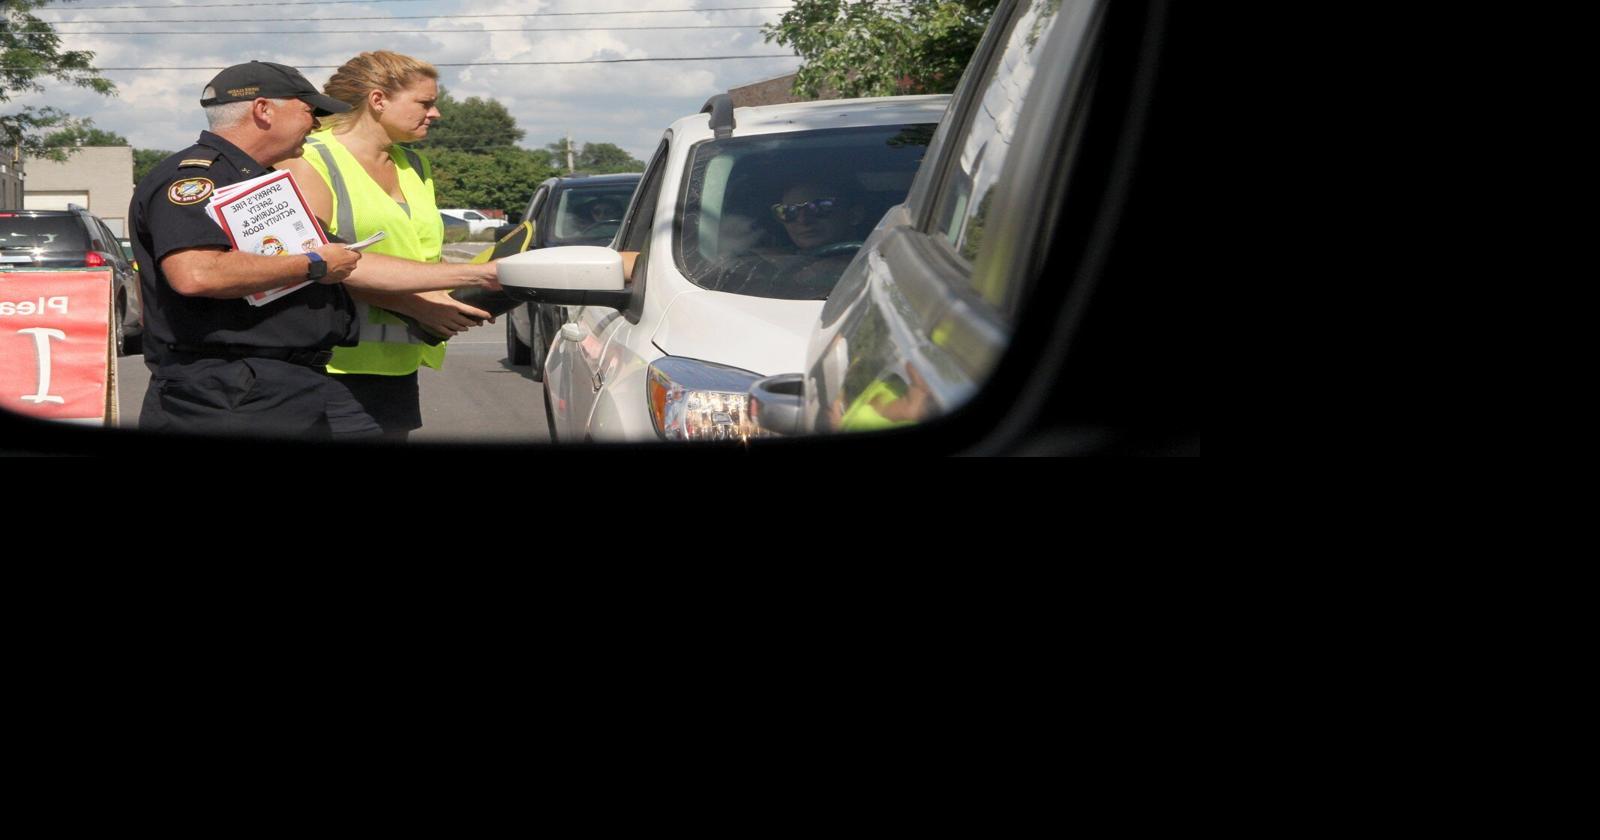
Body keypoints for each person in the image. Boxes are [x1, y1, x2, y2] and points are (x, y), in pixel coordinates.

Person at [130, 60, 499, 440]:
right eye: (309, 112)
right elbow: (197, 273)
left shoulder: (260, 180)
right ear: (263, 110)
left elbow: (348, 259)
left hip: (281, 384)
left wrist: (476, 274)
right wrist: (313, 264)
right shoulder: (197, 179)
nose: (316, 124)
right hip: (220, 390)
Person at [280, 51, 491, 442]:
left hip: (396, 366)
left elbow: (420, 253)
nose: (436, 113)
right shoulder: (308, 159)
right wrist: (413, 304)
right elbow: (306, 266)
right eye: (425, 103)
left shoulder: (414, 164)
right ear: (378, 101)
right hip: (329, 367)